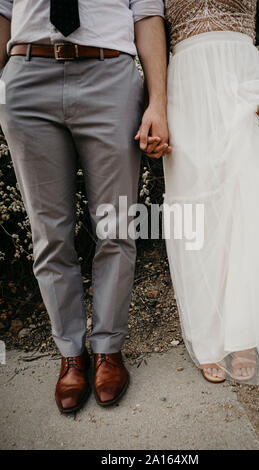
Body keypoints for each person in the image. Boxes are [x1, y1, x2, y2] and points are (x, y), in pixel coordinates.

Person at [0, 0, 171, 412]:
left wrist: (158, 102)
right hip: (27, 76)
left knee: (116, 227)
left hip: (109, 74)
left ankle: (108, 348)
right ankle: (71, 354)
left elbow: (147, 14)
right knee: (48, 234)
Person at [156, 0, 259, 385]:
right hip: (185, 83)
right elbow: (150, 32)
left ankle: (244, 332)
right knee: (196, 206)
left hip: (242, 84)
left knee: (246, 203)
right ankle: (208, 332)